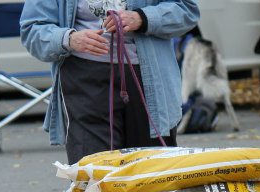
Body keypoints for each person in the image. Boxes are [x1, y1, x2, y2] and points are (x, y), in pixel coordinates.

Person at [20, 0, 199, 163]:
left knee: (152, 176)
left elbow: (186, 10)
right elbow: (32, 29)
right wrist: (70, 39)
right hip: (83, 78)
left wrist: (142, 18)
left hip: (151, 80)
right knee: (95, 175)